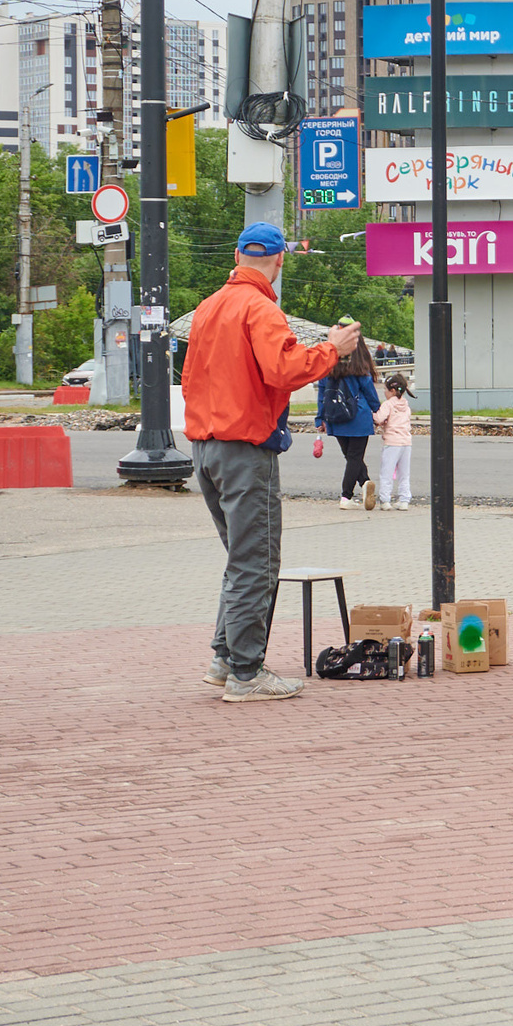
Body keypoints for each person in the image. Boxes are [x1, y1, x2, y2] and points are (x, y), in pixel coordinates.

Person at [183, 222, 361, 701]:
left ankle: (225, 659)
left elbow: (193, 376)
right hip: (244, 448)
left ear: (237, 255)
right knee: (257, 564)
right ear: (280, 259)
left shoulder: (208, 307)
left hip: (206, 446)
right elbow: (284, 370)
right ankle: (246, 673)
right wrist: (333, 349)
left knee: (240, 560)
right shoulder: (260, 308)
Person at [314, 322, 381, 509]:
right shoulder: (360, 369)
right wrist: (378, 411)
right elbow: (370, 394)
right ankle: (346, 497)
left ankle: (365, 482)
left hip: (335, 416)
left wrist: (320, 418)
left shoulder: (327, 368)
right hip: (358, 416)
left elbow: (322, 394)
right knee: (354, 457)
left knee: (351, 457)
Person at [372, 373, 415, 509]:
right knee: (404, 474)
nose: (384, 392)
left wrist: (372, 415)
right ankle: (404, 500)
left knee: (387, 472)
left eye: (385, 389)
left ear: (392, 391)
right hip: (406, 442)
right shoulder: (406, 405)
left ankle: (385, 500)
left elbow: (379, 418)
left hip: (392, 442)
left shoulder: (388, 404)